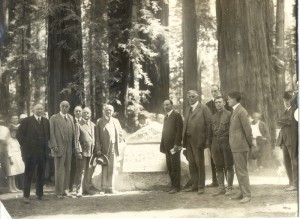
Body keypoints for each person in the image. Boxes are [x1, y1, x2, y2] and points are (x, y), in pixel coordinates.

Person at [16, 104, 50, 203]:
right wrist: (26, 145)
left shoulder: (46, 121)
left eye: (41, 109)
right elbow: (19, 135)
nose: (40, 110)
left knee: (41, 174)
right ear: (33, 110)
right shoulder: (27, 121)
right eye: (38, 109)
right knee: (29, 174)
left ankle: (40, 194)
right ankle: (26, 196)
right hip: (30, 153)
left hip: (42, 153)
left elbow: (48, 136)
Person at [182, 90, 212, 195]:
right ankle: (194, 185)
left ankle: (201, 186)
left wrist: (208, 140)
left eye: (193, 97)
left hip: (199, 140)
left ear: (197, 97)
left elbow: (209, 124)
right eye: (189, 97)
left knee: (199, 163)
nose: (191, 98)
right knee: (192, 164)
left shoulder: (203, 108)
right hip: (188, 140)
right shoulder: (187, 110)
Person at [227, 91, 254, 204]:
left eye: (228, 99)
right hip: (236, 146)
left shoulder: (242, 111)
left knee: (242, 171)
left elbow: (248, 130)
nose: (227, 101)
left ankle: (247, 194)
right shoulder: (235, 111)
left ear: (234, 99)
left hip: (241, 146)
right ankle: (242, 192)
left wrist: (249, 144)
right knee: (238, 170)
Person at [49, 100, 76, 198]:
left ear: (69, 107)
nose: (65, 108)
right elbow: (51, 133)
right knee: (59, 169)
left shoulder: (70, 118)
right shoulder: (54, 118)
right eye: (63, 106)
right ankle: (58, 192)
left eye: (67, 106)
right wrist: (54, 145)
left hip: (69, 147)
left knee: (68, 169)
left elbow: (73, 133)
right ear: (60, 107)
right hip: (58, 147)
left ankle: (65, 190)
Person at [95, 104, 123, 194]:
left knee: (112, 167)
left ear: (113, 112)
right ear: (104, 111)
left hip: (114, 147)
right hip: (104, 148)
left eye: (110, 110)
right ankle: (103, 188)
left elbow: (121, 133)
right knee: (104, 167)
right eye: (107, 110)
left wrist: (119, 141)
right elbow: (97, 137)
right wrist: (98, 148)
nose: (108, 111)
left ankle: (111, 187)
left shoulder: (116, 121)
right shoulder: (100, 121)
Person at [210, 96, 234, 197]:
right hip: (215, 143)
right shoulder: (213, 116)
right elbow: (211, 131)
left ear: (224, 103)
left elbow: (232, 129)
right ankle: (221, 188)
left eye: (220, 102)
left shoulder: (229, 114)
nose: (218, 104)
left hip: (226, 142)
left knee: (228, 165)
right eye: (216, 103)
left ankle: (229, 188)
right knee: (218, 166)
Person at [276, 91, 298, 191]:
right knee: (286, 162)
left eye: (288, 100)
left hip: (292, 140)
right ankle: (291, 182)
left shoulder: (295, 111)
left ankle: (296, 184)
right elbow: (278, 123)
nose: (286, 102)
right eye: (284, 101)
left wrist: (282, 121)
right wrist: (283, 121)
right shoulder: (284, 111)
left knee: (294, 162)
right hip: (284, 140)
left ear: (292, 100)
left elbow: (288, 121)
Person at [160, 99, 183, 194]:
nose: (166, 107)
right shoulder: (166, 117)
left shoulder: (177, 116)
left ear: (172, 105)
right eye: (164, 105)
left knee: (175, 166)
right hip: (167, 146)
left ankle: (176, 187)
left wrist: (177, 144)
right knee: (169, 166)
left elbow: (179, 131)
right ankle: (173, 185)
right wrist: (162, 145)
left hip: (174, 146)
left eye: (168, 104)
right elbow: (164, 132)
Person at [75, 107, 95, 197]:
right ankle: (79, 190)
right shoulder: (78, 125)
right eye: (84, 113)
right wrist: (78, 151)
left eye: (88, 113)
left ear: (90, 114)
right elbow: (76, 140)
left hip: (91, 151)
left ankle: (86, 189)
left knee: (88, 171)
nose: (86, 114)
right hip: (83, 151)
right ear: (82, 114)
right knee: (81, 171)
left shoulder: (93, 125)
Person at [205, 84, 222, 188]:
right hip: (212, 135)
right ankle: (215, 181)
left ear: (219, 91)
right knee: (213, 158)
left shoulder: (224, 103)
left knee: (223, 158)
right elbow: (207, 121)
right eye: (212, 91)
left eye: (215, 91)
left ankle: (224, 182)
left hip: (224, 135)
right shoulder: (207, 105)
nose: (214, 93)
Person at [4, 126, 25, 193]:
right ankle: (10, 188)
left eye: (15, 132)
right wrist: (10, 159)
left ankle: (14, 187)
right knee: (11, 173)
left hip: (17, 157)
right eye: (13, 132)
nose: (14, 134)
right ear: (10, 133)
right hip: (12, 158)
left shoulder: (16, 140)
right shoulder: (9, 140)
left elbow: (19, 149)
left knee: (15, 173)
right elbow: (8, 150)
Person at [69, 105, 83, 192]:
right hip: (72, 148)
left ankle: (80, 187)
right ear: (74, 112)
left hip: (82, 149)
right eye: (76, 111)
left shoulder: (84, 121)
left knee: (81, 168)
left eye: (79, 111)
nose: (78, 113)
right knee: (72, 168)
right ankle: (70, 186)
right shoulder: (71, 121)